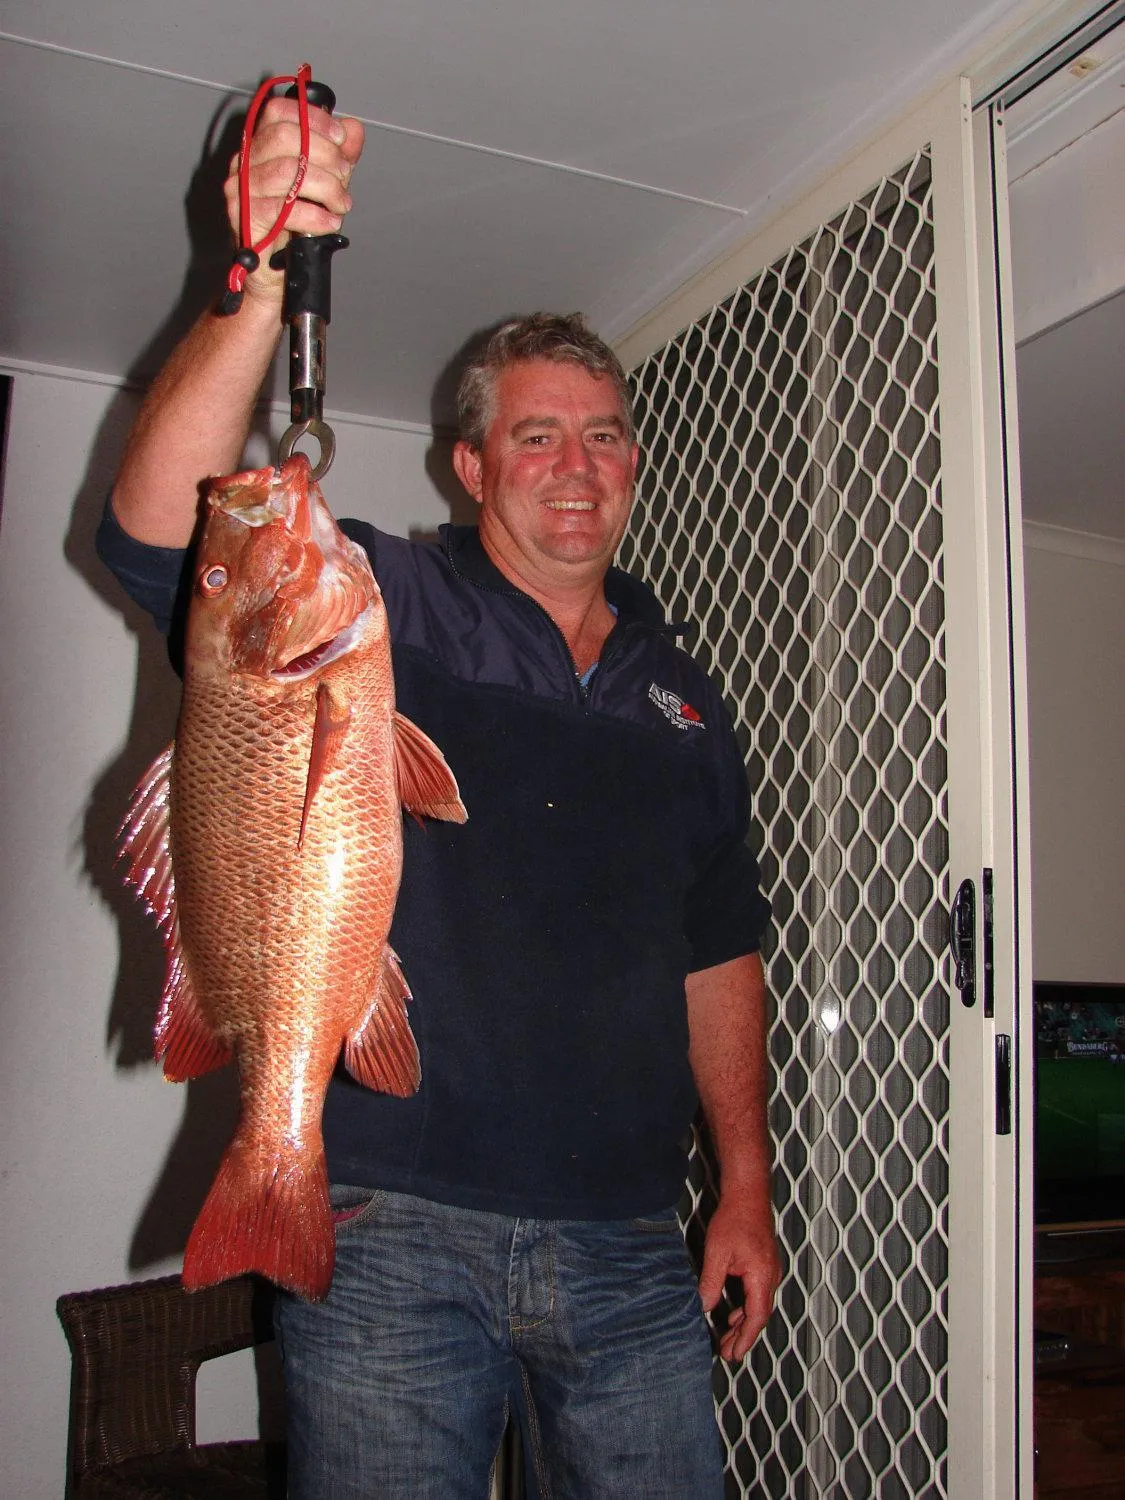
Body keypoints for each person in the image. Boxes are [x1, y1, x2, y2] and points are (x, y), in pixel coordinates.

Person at [98, 95, 781, 1499]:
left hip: (630, 1240)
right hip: (390, 1221)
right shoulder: (381, 606)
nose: (574, 469)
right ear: (471, 470)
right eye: (535, 439)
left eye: (601, 436)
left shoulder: (690, 707)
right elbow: (161, 534)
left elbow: (721, 957)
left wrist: (746, 1194)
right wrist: (260, 277)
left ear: (634, 463)